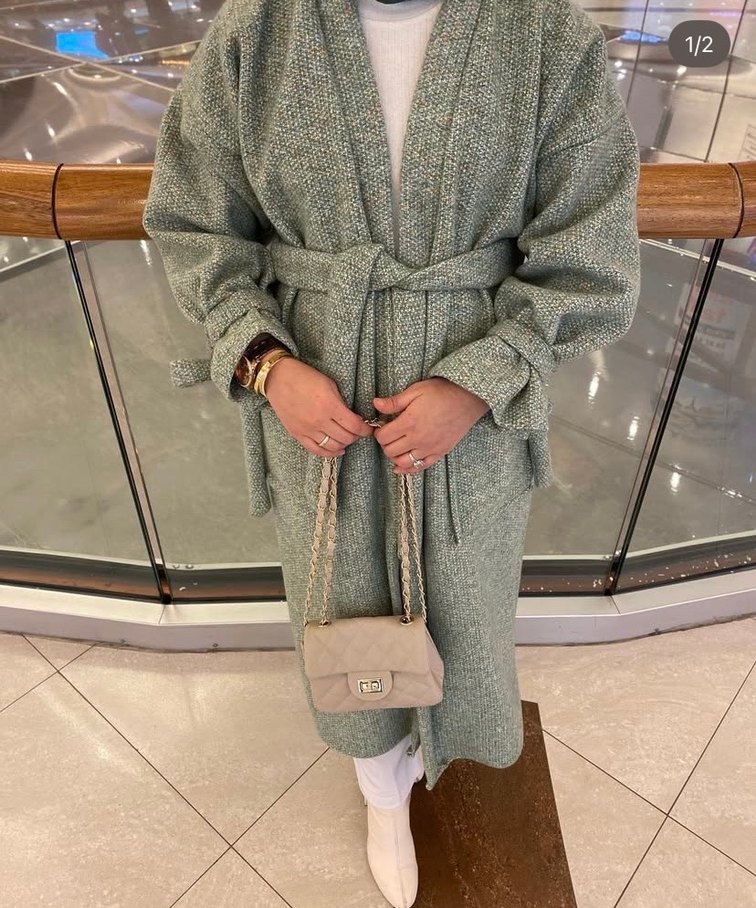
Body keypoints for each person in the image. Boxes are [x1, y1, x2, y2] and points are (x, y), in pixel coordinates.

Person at [142, 0, 642, 903]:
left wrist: (482, 379)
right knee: (341, 604)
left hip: (474, 395)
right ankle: (381, 791)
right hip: (316, 385)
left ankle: (434, 751)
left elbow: (590, 247)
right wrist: (266, 365)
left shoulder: (545, 33)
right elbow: (192, 221)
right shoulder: (258, 31)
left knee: (466, 600)